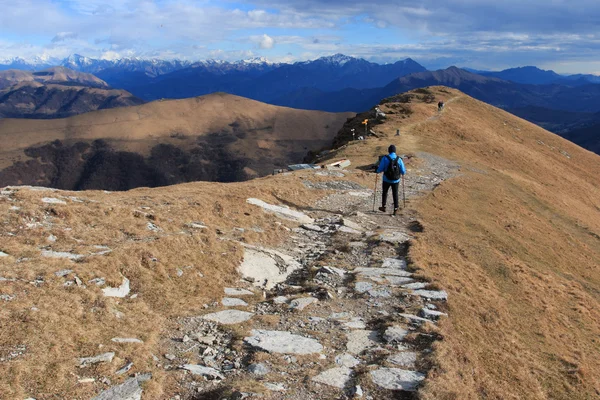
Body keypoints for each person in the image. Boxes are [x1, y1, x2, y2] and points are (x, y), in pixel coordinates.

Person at [376, 145, 406, 215]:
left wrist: (377, 171)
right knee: (395, 193)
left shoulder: (385, 158)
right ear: (395, 151)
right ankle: (396, 208)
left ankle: (384, 206)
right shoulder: (399, 159)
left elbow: (380, 169)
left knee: (385, 192)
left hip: (386, 179)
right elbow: (403, 171)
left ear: (388, 150)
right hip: (396, 180)